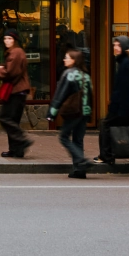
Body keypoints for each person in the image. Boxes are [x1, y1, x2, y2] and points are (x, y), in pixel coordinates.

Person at [47, 50, 94, 179]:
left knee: (64, 137)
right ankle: (79, 170)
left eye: (67, 58)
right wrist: (89, 112)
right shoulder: (86, 75)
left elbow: (60, 95)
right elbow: (91, 95)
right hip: (84, 111)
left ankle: (81, 160)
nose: (64, 60)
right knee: (78, 139)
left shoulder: (69, 74)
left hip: (73, 111)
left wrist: (52, 112)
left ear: (74, 60)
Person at [94, 36, 129, 165]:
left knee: (105, 125)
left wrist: (118, 107)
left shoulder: (125, 63)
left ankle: (106, 156)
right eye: (114, 45)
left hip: (123, 106)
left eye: (118, 45)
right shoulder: (125, 61)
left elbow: (124, 88)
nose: (115, 47)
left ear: (125, 47)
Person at [0, 29, 34, 158]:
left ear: (15, 40)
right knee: (13, 120)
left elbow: (11, 72)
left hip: (16, 90)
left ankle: (22, 140)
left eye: (9, 39)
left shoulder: (16, 52)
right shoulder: (15, 52)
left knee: (5, 118)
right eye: (5, 39)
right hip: (17, 91)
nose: (7, 41)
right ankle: (16, 150)